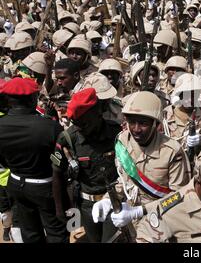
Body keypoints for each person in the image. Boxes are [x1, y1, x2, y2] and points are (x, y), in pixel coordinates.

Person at [92, 91, 191, 242]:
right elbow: (126, 181)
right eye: (132, 122)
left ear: (156, 124)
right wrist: (107, 200)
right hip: (130, 225)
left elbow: (179, 197)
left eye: (143, 123)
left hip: (161, 225)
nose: (136, 129)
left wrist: (140, 211)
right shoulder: (122, 141)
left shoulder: (172, 151)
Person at [0, 78, 68, 243]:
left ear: (8, 99)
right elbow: (60, 159)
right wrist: (54, 121)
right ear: (32, 99)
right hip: (46, 187)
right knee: (57, 232)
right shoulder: (49, 127)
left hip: (15, 183)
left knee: (30, 232)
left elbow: (3, 161)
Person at [51, 88, 121, 243]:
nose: (80, 127)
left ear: (97, 112)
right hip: (86, 205)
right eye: (76, 122)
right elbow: (57, 174)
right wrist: (59, 208)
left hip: (115, 201)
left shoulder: (117, 132)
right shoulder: (67, 139)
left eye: (84, 122)